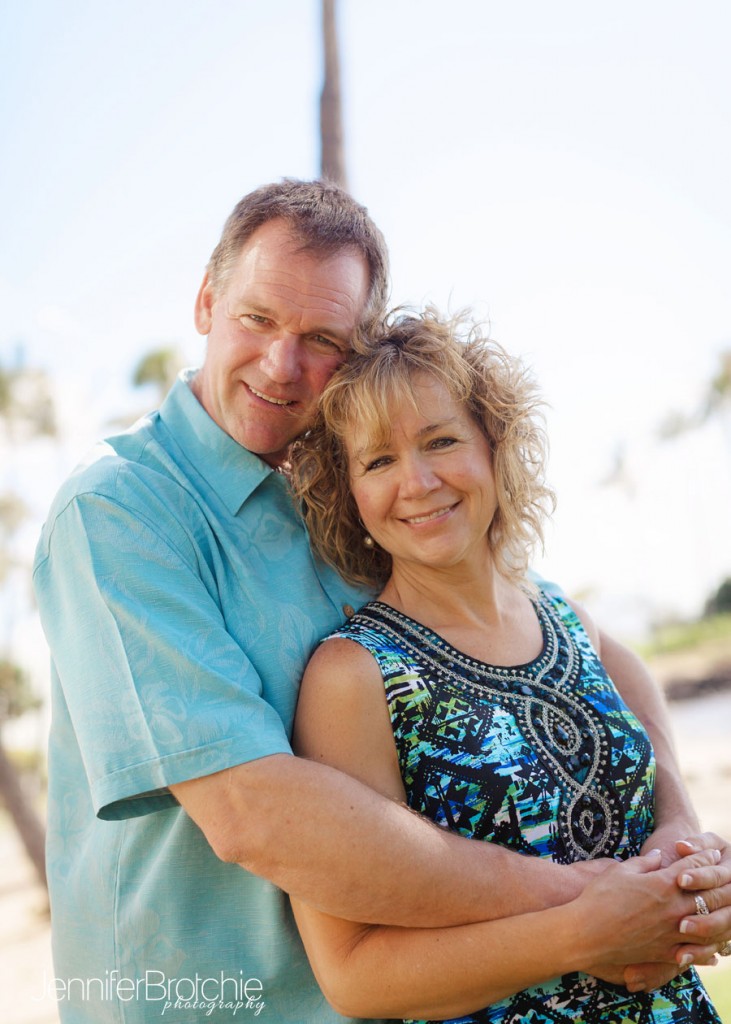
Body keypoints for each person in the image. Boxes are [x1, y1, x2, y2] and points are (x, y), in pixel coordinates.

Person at [32, 180, 729, 1024]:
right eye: (257, 319)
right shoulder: (119, 511)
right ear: (206, 302)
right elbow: (253, 814)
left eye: (321, 336)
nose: (282, 364)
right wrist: (586, 905)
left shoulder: (347, 493)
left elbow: (582, 645)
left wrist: (678, 836)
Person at [288, 307, 727, 1023]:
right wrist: (583, 935)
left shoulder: (563, 614)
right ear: (348, 492)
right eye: (378, 460)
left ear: (494, 444)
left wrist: (689, 859)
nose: (418, 481)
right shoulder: (354, 676)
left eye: (440, 441)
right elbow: (355, 976)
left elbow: (647, 724)